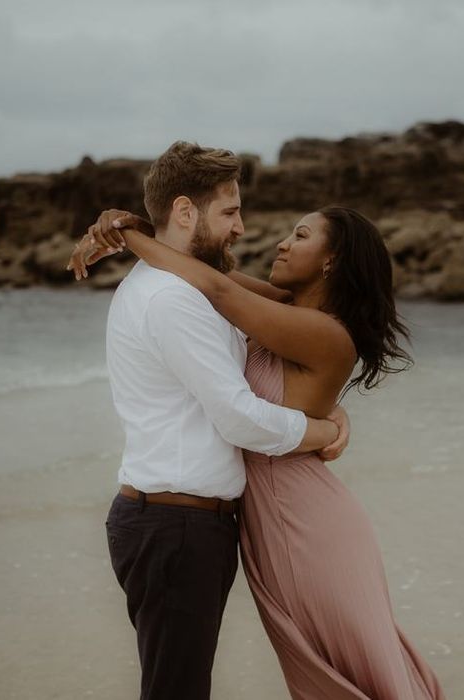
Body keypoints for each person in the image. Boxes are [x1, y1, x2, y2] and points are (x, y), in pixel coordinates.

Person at [73, 191, 447, 698]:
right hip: (269, 516)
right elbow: (208, 275)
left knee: (347, 664)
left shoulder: (326, 334)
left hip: (304, 521)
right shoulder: (284, 311)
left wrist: (130, 238)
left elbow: (218, 292)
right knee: (326, 666)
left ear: (332, 260)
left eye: (300, 235)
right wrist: (132, 223)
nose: (280, 243)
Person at [68, 142, 350, 700]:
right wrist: (325, 433)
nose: (243, 228)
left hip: (183, 524)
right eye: (230, 212)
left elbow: (263, 365)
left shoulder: (190, 291)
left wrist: (332, 408)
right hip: (176, 527)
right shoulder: (172, 300)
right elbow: (240, 419)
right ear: (185, 211)